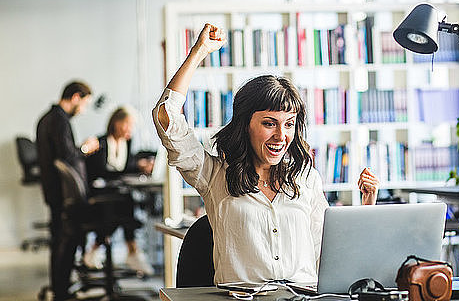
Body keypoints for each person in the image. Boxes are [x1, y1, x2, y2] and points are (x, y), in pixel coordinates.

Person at [152, 23, 379, 285]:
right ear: (245, 124)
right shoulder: (214, 175)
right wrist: (200, 51)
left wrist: (367, 207)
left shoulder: (306, 179)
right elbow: (166, 117)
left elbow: (327, 256)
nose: (281, 136)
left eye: (289, 124)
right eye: (269, 123)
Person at [36, 81, 100, 301]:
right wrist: (86, 148)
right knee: (64, 241)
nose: (82, 110)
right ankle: (61, 291)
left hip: (54, 192)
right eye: (84, 104)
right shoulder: (58, 120)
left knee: (60, 241)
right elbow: (67, 156)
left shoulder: (49, 118)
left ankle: (61, 288)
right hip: (62, 194)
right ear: (75, 97)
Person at [83, 106, 155, 276]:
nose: (130, 129)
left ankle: (97, 249)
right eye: (127, 124)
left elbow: (125, 166)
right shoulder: (100, 142)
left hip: (116, 194)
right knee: (123, 208)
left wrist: (140, 166)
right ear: (116, 123)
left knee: (124, 203)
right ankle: (132, 252)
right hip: (97, 194)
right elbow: (103, 170)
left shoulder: (127, 143)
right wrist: (135, 166)